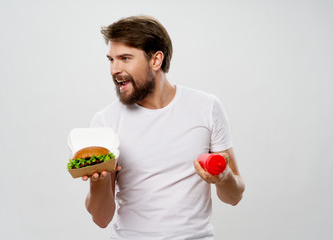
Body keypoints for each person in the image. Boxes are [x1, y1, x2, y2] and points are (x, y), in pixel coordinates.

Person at [82, 15, 245, 240]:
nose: (114, 69)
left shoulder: (206, 107)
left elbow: (234, 196)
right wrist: (98, 181)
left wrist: (223, 177)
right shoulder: (105, 122)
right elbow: (101, 219)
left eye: (125, 58)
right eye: (111, 59)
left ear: (156, 60)